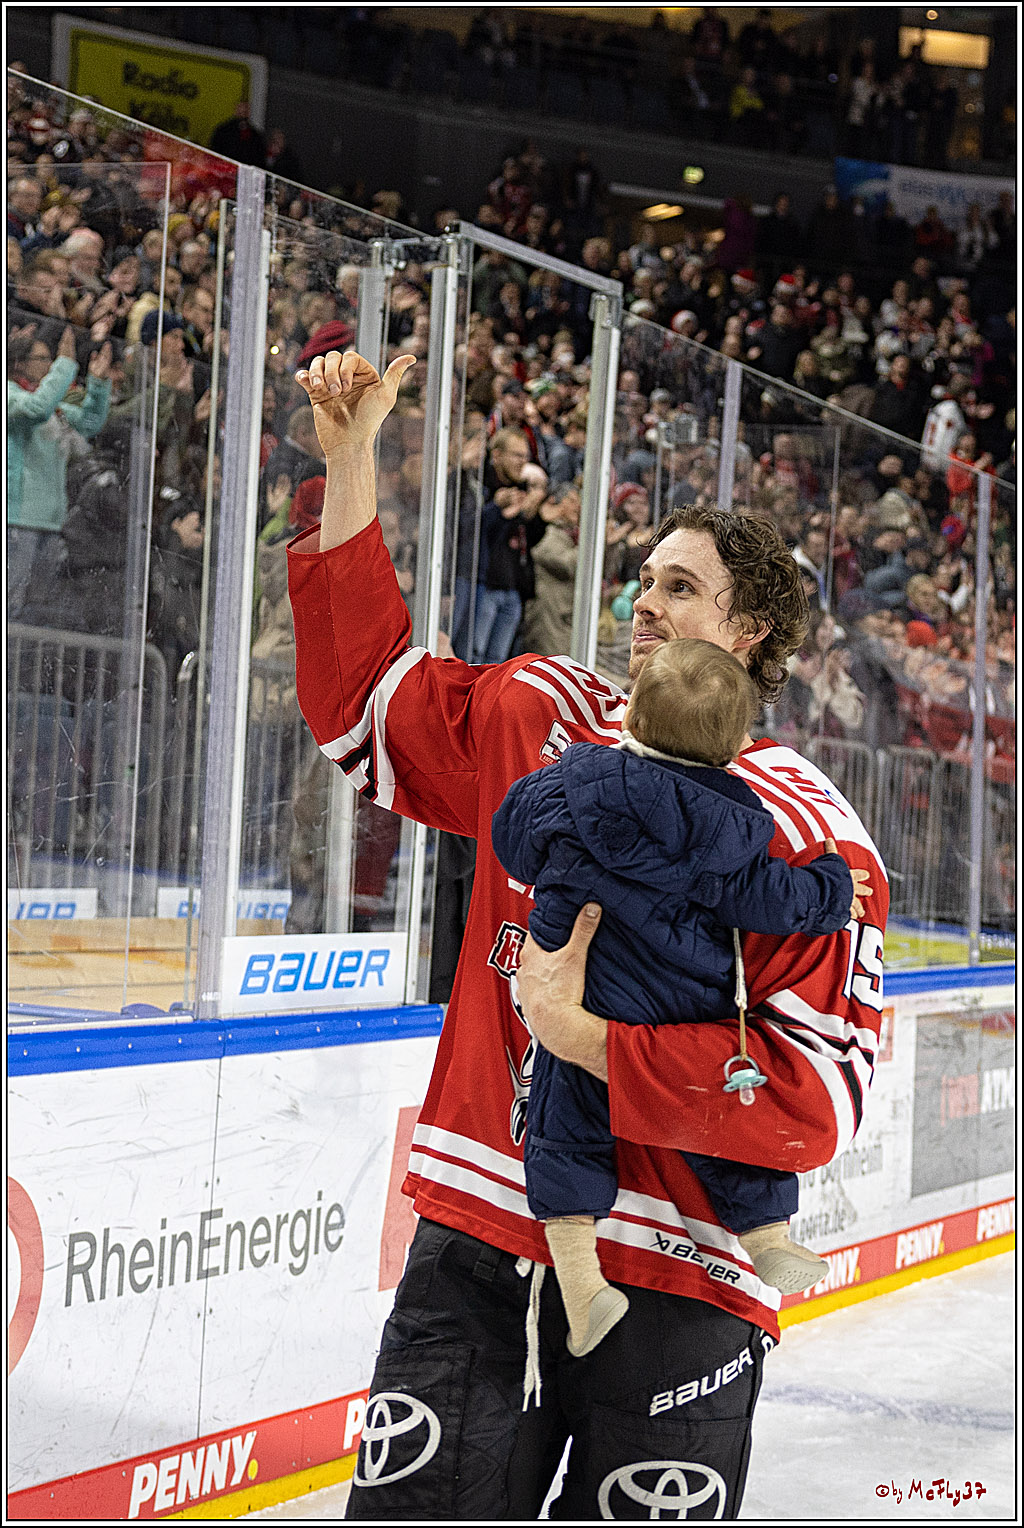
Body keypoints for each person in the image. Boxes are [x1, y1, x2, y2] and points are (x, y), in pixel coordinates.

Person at [287, 348, 888, 1520]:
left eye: (677, 587)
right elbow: (366, 707)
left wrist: (584, 1038)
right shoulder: (542, 715)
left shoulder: (807, 835)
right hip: (482, 1237)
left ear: (750, 631)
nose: (642, 604)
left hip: (685, 1272)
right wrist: (353, 459)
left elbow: (813, 1100)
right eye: (640, 578)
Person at [491, 637, 869, 1356]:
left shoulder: (564, 785)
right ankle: (766, 1236)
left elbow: (513, 840)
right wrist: (829, 887)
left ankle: (581, 1283)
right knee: (717, 1120)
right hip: (677, 1003)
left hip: (582, 989)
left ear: (629, 714)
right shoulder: (724, 827)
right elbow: (771, 898)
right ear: (733, 750)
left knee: (563, 1130)